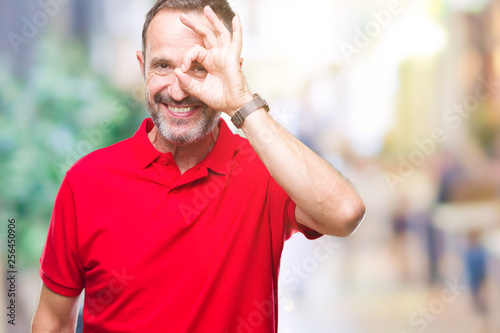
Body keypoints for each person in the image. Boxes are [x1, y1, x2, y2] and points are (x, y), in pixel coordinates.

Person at [31, 1, 366, 332]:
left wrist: (242, 103)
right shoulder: (87, 181)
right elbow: (53, 321)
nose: (178, 91)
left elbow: (345, 212)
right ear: (141, 66)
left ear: (231, 70)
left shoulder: (265, 171)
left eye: (199, 67)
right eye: (162, 66)